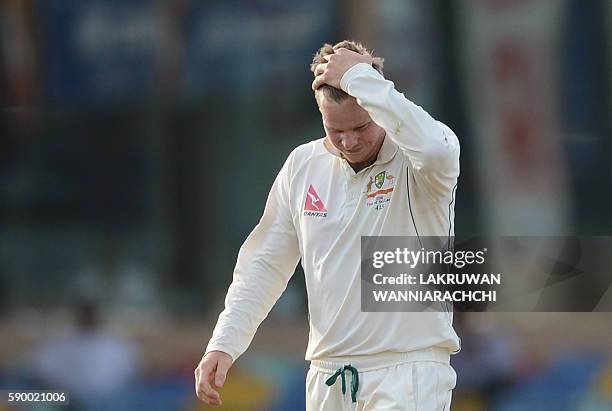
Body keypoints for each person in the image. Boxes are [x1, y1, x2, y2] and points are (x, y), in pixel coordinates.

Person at [195, 40, 461, 410]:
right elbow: (264, 266)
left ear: (379, 104)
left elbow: (435, 148)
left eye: (361, 126)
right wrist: (224, 342)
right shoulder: (302, 165)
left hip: (407, 371)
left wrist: (359, 77)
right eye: (336, 130)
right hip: (328, 376)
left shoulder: (421, 164)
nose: (349, 141)